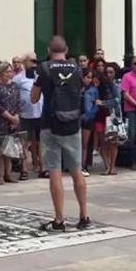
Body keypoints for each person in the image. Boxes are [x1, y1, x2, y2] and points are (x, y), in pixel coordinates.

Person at [31, 36, 89, 231]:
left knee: (54, 171)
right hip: (73, 123)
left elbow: (34, 98)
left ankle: (59, 219)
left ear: (49, 50)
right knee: (76, 169)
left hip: (50, 124)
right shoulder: (76, 68)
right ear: (67, 49)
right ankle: (84, 214)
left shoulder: (45, 68)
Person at [0, 62, 22, 184]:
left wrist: (16, 117)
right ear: (1, 73)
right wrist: (9, 117)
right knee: (0, 149)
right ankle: (0, 175)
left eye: (11, 71)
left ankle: (8, 174)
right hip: (1, 121)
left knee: (10, 149)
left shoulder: (15, 86)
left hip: (14, 120)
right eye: (7, 72)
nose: (10, 74)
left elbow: (18, 102)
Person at [15, 53, 44, 179]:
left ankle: (43, 168)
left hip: (40, 114)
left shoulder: (41, 75)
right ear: (25, 62)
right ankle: (24, 169)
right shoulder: (18, 78)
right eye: (31, 61)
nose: (34, 63)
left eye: (36, 61)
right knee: (23, 143)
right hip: (25, 115)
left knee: (41, 142)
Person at [98, 63, 122, 175]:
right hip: (101, 115)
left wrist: (103, 103)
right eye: (107, 72)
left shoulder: (116, 84)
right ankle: (107, 165)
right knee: (103, 142)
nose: (108, 74)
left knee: (113, 142)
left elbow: (117, 100)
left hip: (113, 116)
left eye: (111, 72)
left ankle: (112, 166)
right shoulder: (101, 84)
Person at [79, 70, 100, 177]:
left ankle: (83, 164)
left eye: (90, 77)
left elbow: (96, 106)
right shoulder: (77, 89)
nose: (89, 79)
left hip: (88, 118)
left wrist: (88, 115)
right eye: (87, 77)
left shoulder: (94, 90)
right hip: (76, 117)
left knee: (85, 143)